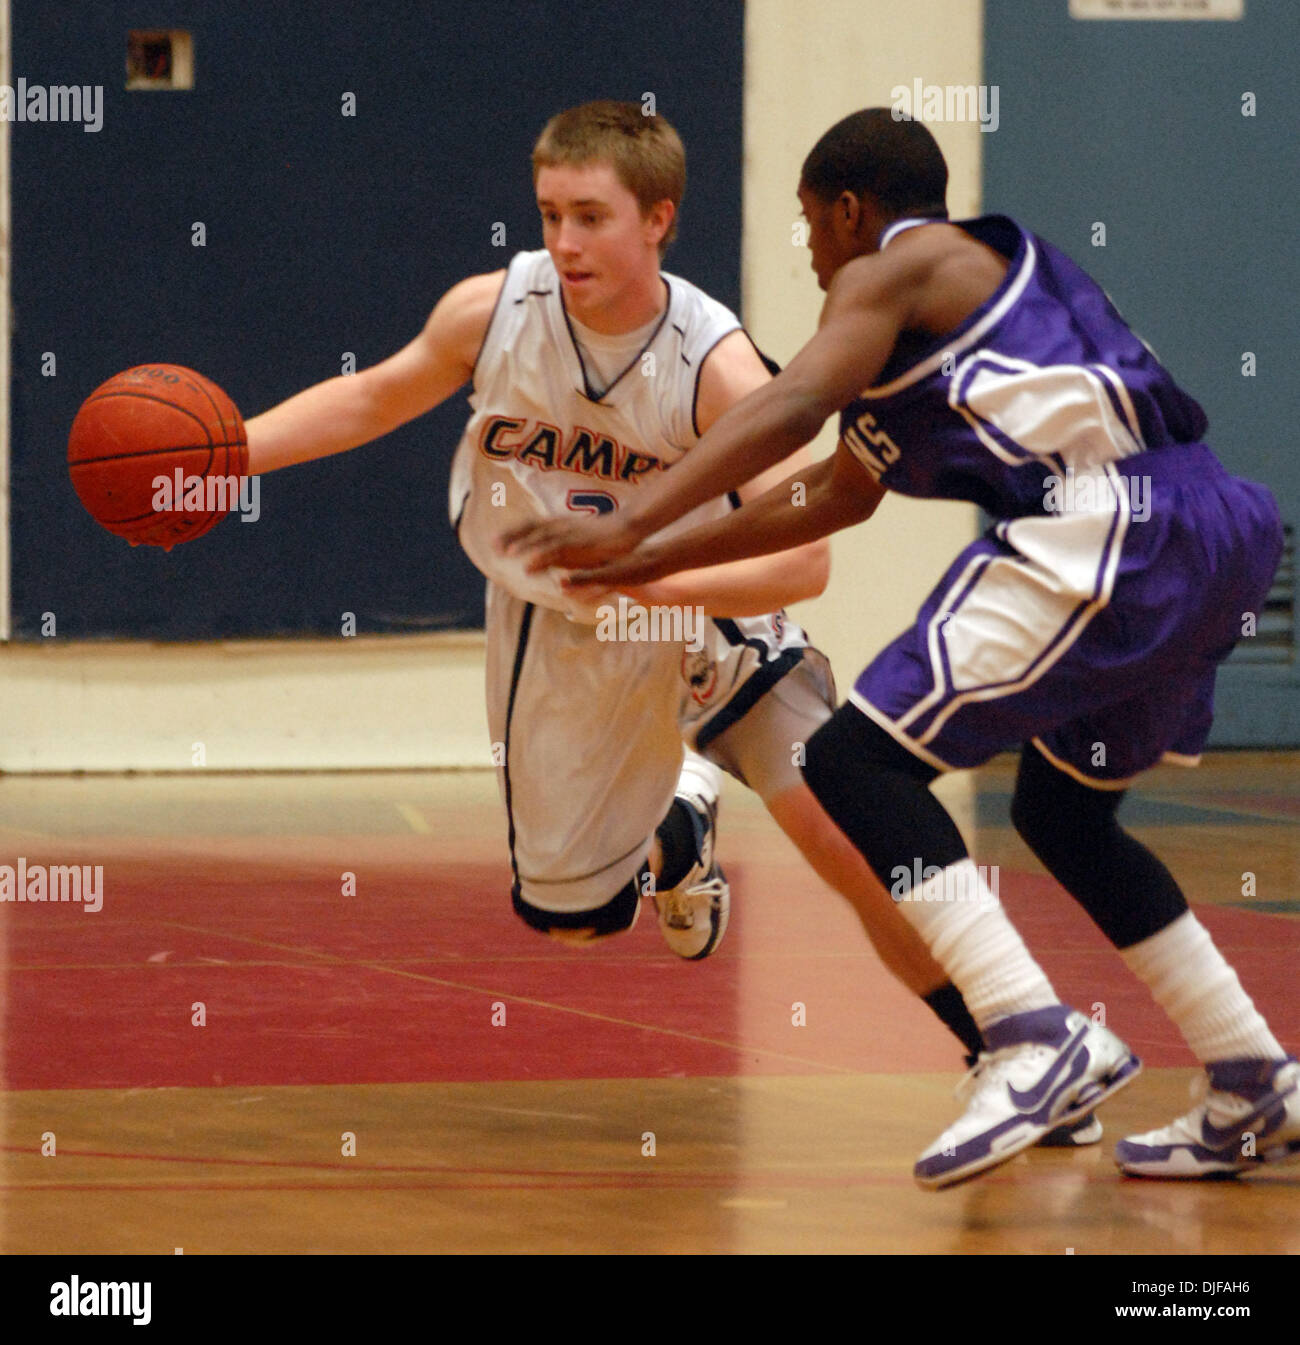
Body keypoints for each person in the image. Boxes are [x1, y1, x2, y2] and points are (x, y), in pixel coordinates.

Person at [504, 108, 1299, 1188]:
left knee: (850, 760)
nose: (815, 256)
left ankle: (1030, 1033)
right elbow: (833, 493)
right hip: (1216, 528)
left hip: (1113, 521)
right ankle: (1252, 1076)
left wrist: (630, 520)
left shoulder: (900, 256)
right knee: (1063, 815)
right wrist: (652, 558)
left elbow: (795, 400)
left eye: (811, 227)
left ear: (847, 210)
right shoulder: (971, 306)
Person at [242, 102, 1068, 1118]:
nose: (563, 241)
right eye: (549, 213)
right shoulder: (490, 313)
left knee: (843, 839)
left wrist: (652, 582)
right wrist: (221, 456)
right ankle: (679, 838)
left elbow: (803, 559)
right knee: (573, 920)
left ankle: (1013, 1051)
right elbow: (372, 398)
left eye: (591, 216)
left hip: (705, 608)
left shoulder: (714, 362)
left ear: (657, 219)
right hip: (559, 619)